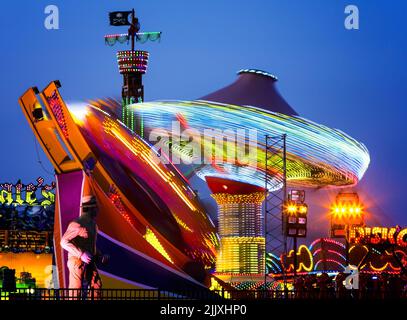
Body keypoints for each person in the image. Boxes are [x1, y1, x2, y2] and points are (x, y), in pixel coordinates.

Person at [61, 195, 107, 298]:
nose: (98, 210)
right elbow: (64, 241)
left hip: (89, 261)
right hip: (77, 261)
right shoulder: (77, 223)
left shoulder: (93, 225)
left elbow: (90, 246)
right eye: (96, 207)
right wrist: (81, 254)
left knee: (96, 286)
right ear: (91, 208)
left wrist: (100, 256)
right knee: (75, 290)